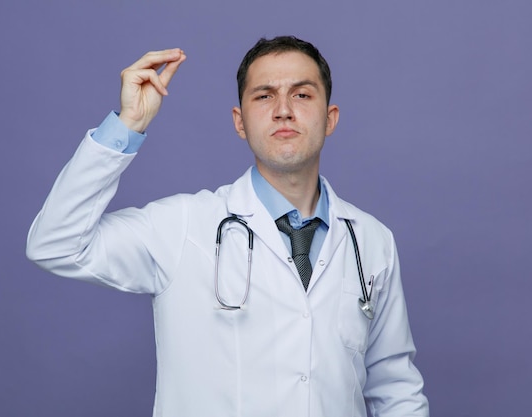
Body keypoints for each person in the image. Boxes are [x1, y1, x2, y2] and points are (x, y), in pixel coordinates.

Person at [26, 36, 429, 416]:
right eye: (264, 96)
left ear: (330, 118)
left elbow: (396, 389)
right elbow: (55, 244)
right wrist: (128, 125)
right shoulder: (182, 226)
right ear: (239, 122)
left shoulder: (371, 240)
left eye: (302, 95)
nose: (283, 109)